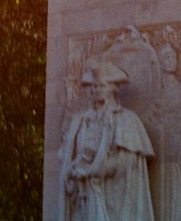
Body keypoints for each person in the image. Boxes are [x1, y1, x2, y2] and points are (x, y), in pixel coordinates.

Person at [59, 60, 155, 220]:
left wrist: (94, 171)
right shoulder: (79, 120)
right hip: (83, 197)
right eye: (93, 86)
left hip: (112, 198)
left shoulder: (126, 119)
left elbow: (127, 162)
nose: (95, 90)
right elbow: (66, 155)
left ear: (112, 89)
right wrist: (73, 170)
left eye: (101, 85)